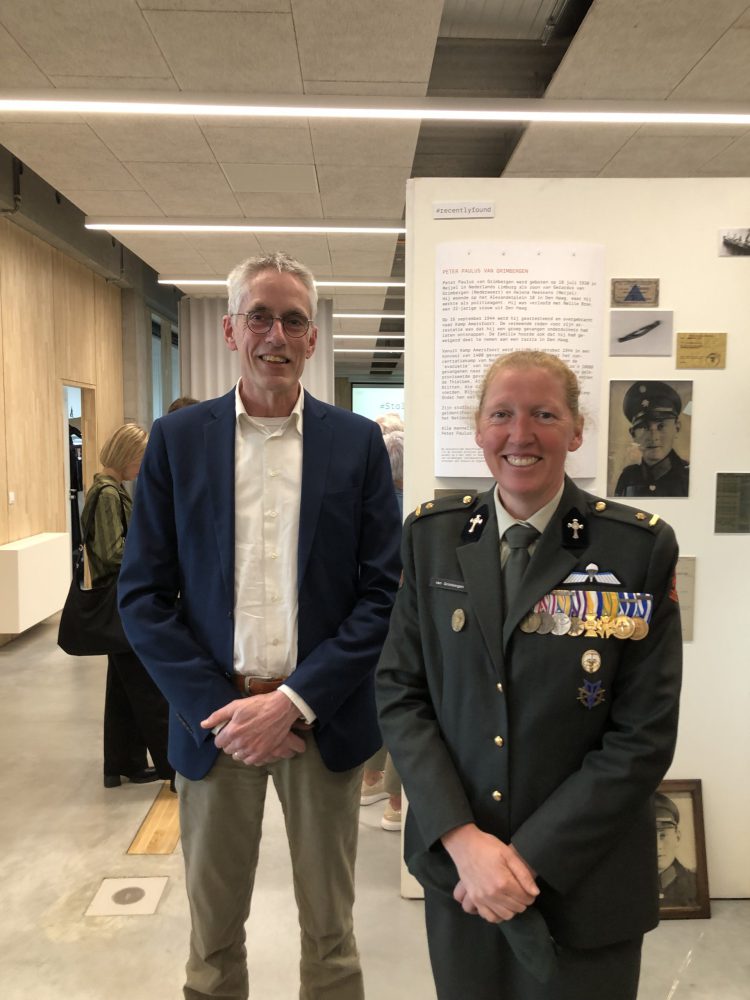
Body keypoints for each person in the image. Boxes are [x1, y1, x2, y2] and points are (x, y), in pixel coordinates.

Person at [118, 251, 401, 1000]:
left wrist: (293, 702)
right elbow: (143, 596)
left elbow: (383, 594)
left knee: (332, 937)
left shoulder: (356, 444)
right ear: (230, 330)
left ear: (313, 338)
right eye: (260, 317)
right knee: (211, 942)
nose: (276, 334)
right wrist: (223, 710)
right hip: (216, 728)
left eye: (294, 320)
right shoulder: (178, 442)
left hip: (321, 724)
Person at [376, 351, 683, 1000]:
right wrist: (465, 842)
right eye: (501, 415)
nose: (521, 434)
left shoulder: (635, 548)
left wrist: (523, 861)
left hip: (586, 881)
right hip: (462, 876)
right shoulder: (432, 537)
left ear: (576, 430)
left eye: (544, 414)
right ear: (478, 429)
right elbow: (401, 695)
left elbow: (643, 735)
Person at [80, 423, 173, 789]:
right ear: (127, 455)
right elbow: (111, 552)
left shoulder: (108, 490)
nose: (142, 466)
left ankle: (122, 764)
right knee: (148, 689)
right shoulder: (107, 494)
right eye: (140, 458)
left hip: (117, 602)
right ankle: (173, 767)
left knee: (122, 691)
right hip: (121, 602)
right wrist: (151, 555)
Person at [360, 429, 404, 831]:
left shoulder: (373, 499)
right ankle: (394, 799)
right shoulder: (408, 503)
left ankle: (371, 777)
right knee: (405, 697)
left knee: (382, 691)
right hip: (402, 612)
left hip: (375, 615)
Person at [614, 381, 689, 497]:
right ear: (633, 434)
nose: (654, 437)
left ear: (677, 428)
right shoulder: (627, 478)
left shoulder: (689, 476)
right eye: (644, 427)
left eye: (661, 426)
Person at [655, 793, 698, 907]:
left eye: (663, 835)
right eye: (649, 837)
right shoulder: (627, 884)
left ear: (677, 838)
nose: (658, 846)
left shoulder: (695, 884)